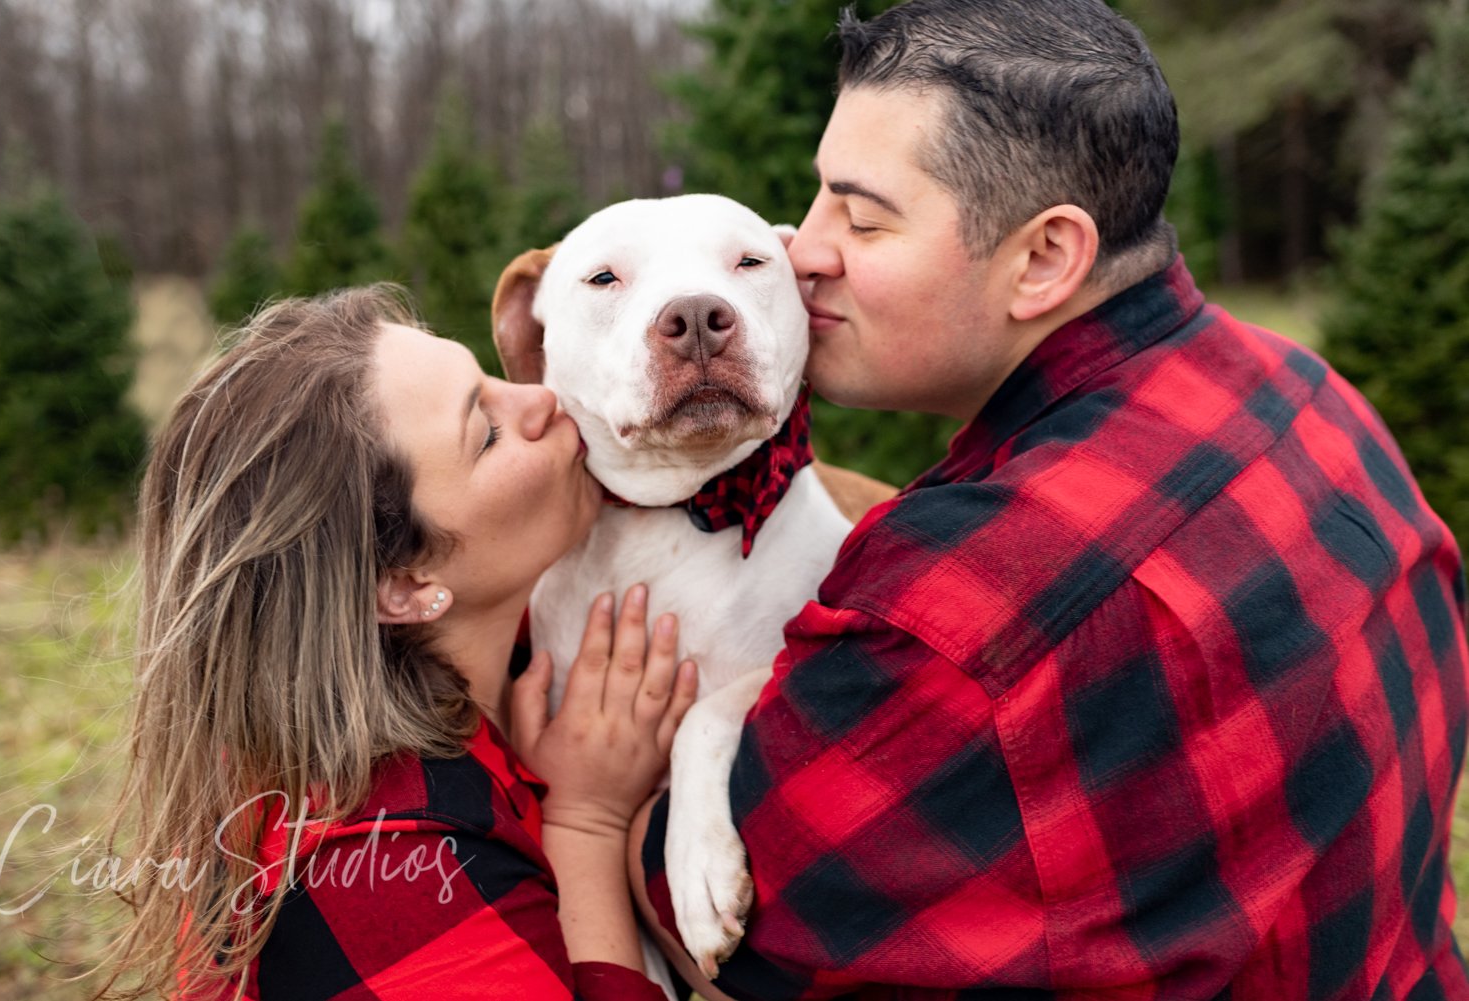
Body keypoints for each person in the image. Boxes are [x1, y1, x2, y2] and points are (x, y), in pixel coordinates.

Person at [629, 1, 1469, 997]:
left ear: (1044, 258)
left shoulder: (961, 612)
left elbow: (744, 930)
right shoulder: (1308, 395)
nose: (803, 247)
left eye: (861, 216)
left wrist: (605, 803)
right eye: (816, 198)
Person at [91, 286, 695, 1000]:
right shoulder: (391, 864)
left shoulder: (494, 666)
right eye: (488, 432)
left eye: (489, 379)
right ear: (403, 584)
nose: (540, 399)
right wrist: (586, 822)